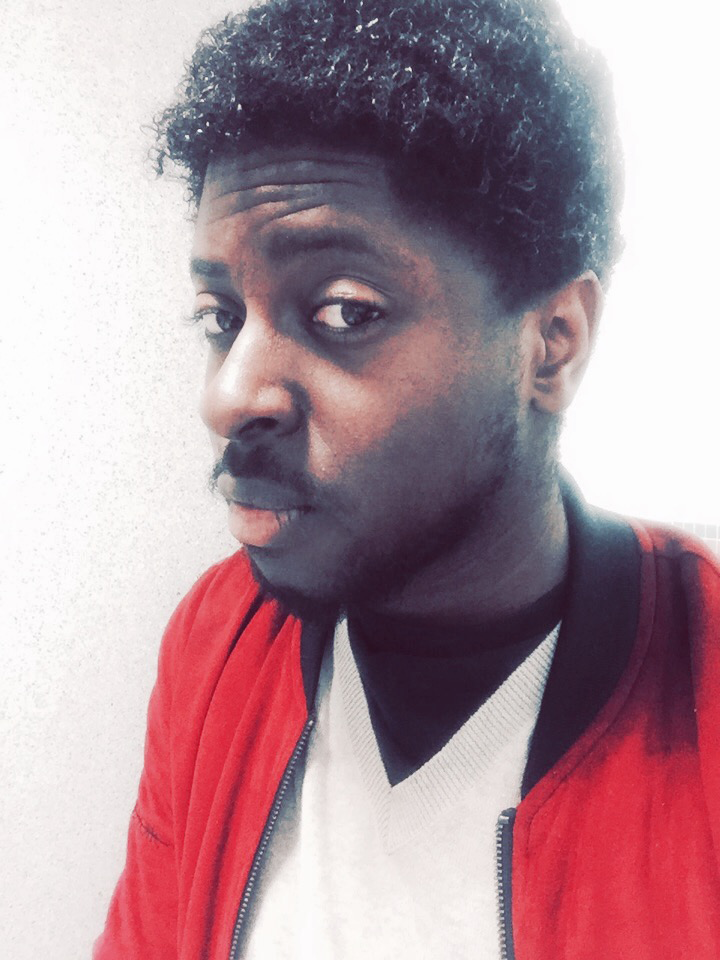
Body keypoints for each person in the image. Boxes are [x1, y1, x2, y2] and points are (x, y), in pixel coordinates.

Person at [94, 0, 720, 957]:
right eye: (221, 317)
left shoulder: (701, 690)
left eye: (344, 312)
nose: (229, 397)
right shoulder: (219, 641)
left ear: (552, 344)